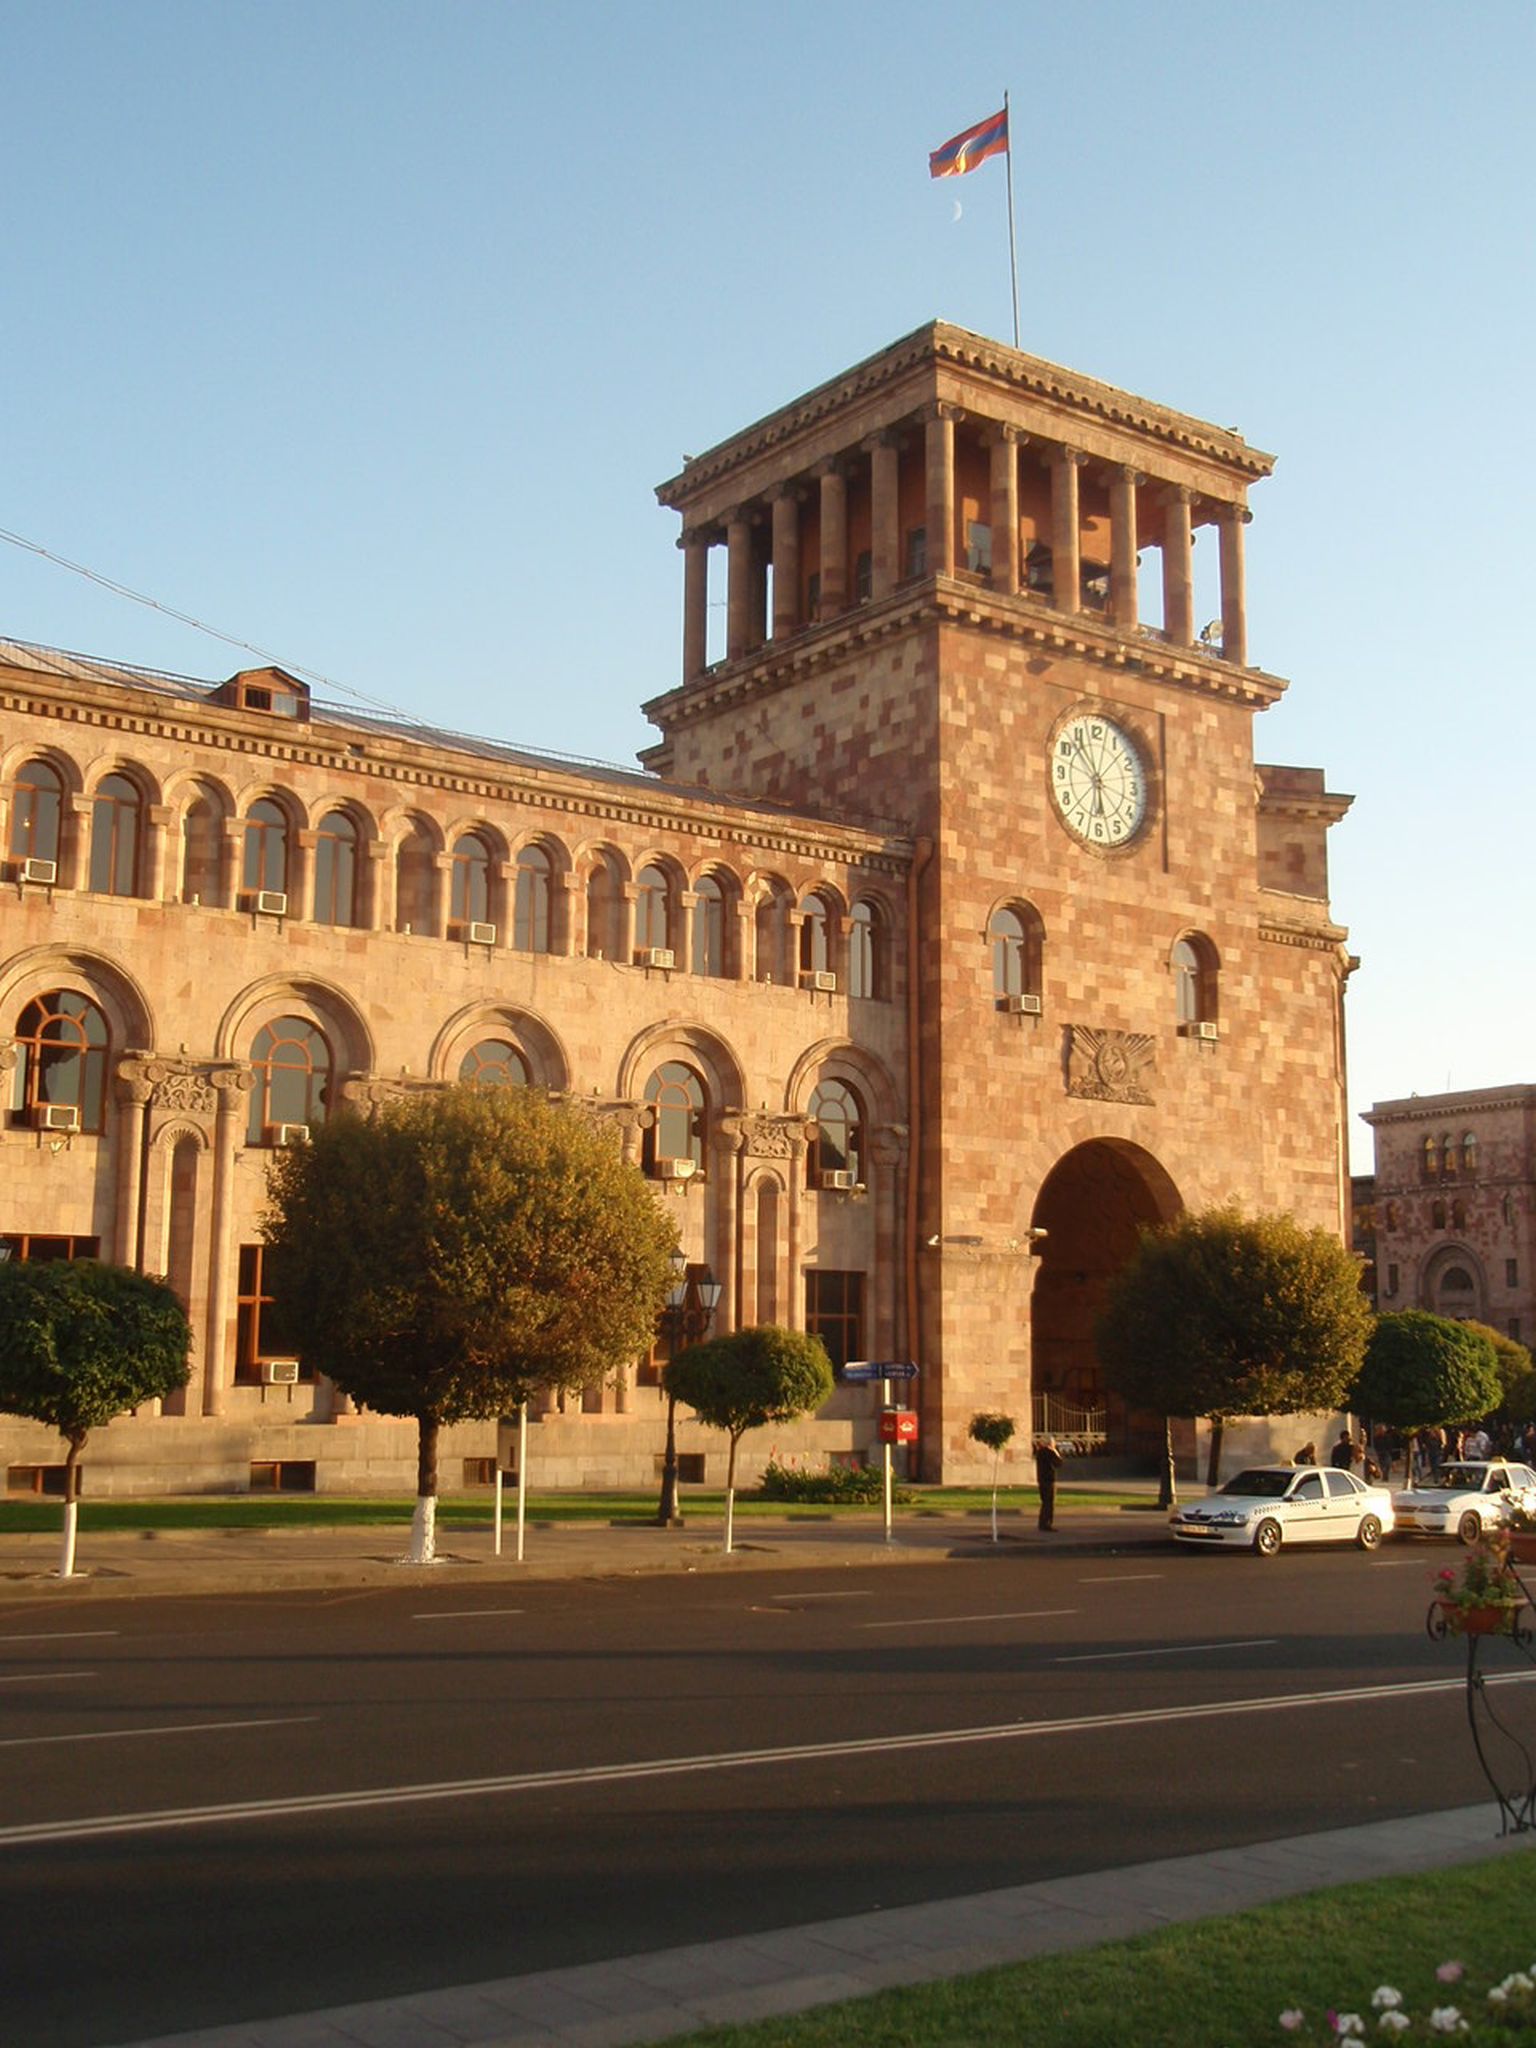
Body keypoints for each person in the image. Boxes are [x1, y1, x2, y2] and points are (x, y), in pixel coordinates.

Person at [1034, 1434, 1063, 1532]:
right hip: (1049, 1480)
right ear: (1050, 1443)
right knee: (1049, 1503)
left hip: (1042, 1480)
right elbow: (1059, 1463)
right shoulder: (1050, 1452)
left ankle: (1042, 1523)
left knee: (1044, 1502)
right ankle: (1047, 1523)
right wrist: (1055, 1451)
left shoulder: (1040, 1452)